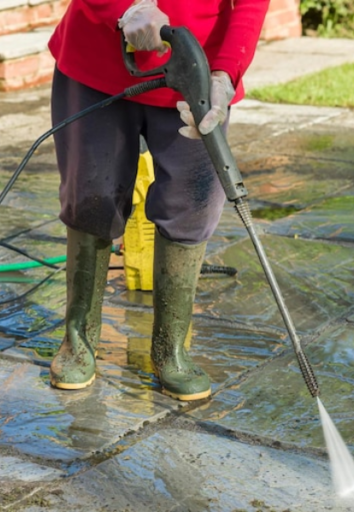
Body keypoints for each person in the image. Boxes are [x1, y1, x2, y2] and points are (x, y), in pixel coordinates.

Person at [48, 0, 270, 401]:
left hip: (195, 69)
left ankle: (171, 351)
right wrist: (125, 8)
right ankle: (78, 340)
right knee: (91, 199)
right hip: (99, 61)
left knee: (193, 205)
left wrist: (224, 74)